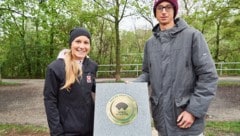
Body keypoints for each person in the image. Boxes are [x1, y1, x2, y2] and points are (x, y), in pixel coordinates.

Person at [134, 0, 218, 136]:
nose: (164, 11)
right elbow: (147, 73)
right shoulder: (150, 44)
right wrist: (133, 85)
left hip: (186, 121)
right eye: (160, 8)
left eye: (168, 7)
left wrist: (193, 111)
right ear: (155, 11)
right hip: (161, 121)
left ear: (175, 11)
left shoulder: (193, 36)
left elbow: (208, 76)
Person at [43, 27, 98, 136]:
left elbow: (92, 86)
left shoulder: (92, 66)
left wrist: (122, 89)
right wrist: (56, 131)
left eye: (86, 42)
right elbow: (50, 100)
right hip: (67, 131)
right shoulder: (55, 68)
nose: (82, 46)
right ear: (71, 44)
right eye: (78, 41)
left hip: (90, 129)